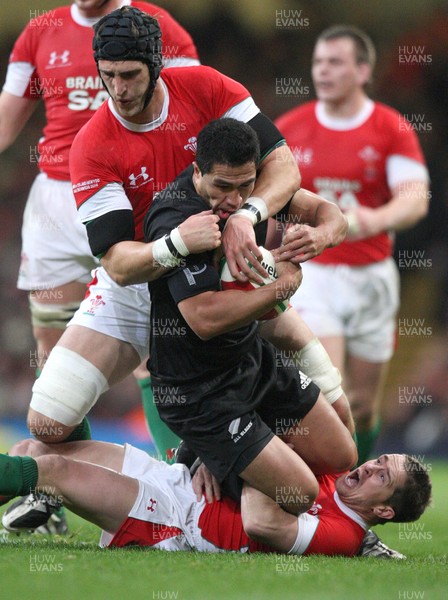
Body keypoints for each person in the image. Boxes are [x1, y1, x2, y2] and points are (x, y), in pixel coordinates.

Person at [26, 5, 302, 453]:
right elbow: (117, 263)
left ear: (156, 65)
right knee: (46, 421)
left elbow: (285, 169)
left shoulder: (208, 88)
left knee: (319, 377)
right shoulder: (92, 145)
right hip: (140, 285)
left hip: (219, 272)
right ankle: (154, 483)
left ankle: (335, 501)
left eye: (130, 74)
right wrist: (174, 244)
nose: (118, 89)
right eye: (108, 75)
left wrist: (243, 218)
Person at [0, 0, 200, 463]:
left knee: (154, 348)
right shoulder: (40, 30)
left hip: (133, 192)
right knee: (51, 348)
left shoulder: (157, 25)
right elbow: (7, 122)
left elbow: (192, 111)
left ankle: (178, 478)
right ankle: (54, 485)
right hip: (56, 197)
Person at [144, 117, 357, 513]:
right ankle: (201, 458)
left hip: (249, 360)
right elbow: (205, 319)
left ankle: (228, 457)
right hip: (199, 391)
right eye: (222, 186)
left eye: (245, 185)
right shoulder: (175, 218)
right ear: (197, 172)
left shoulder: (252, 196)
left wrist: (318, 236)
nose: (234, 199)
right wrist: (280, 287)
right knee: (299, 492)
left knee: (342, 453)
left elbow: (330, 213)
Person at [275, 25, 430, 465]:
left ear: (363, 70)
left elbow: (414, 200)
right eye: (319, 61)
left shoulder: (390, 128)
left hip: (372, 277)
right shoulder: (291, 128)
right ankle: (323, 499)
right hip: (314, 275)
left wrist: (364, 222)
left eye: (336, 62)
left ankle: (354, 490)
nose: (323, 70)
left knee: (362, 406)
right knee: (330, 390)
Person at [0, 438, 431, 557]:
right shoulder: (335, 473)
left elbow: (261, 523)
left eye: (382, 474)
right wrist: (224, 452)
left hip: (174, 520)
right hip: (178, 480)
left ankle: (48, 492)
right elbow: (265, 451)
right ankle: (44, 496)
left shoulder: (342, 535)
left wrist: (240, 453)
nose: (371, 465)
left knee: (53, 472)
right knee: (37, 450)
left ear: (383, 510)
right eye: (380, 460)